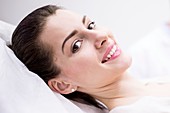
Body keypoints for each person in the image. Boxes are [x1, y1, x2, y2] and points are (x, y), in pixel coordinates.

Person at [9, 5, 170, 113]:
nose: (101, 36)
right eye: (77, 45)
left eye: (90, 25)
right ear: (63, 85)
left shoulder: (154, 83)